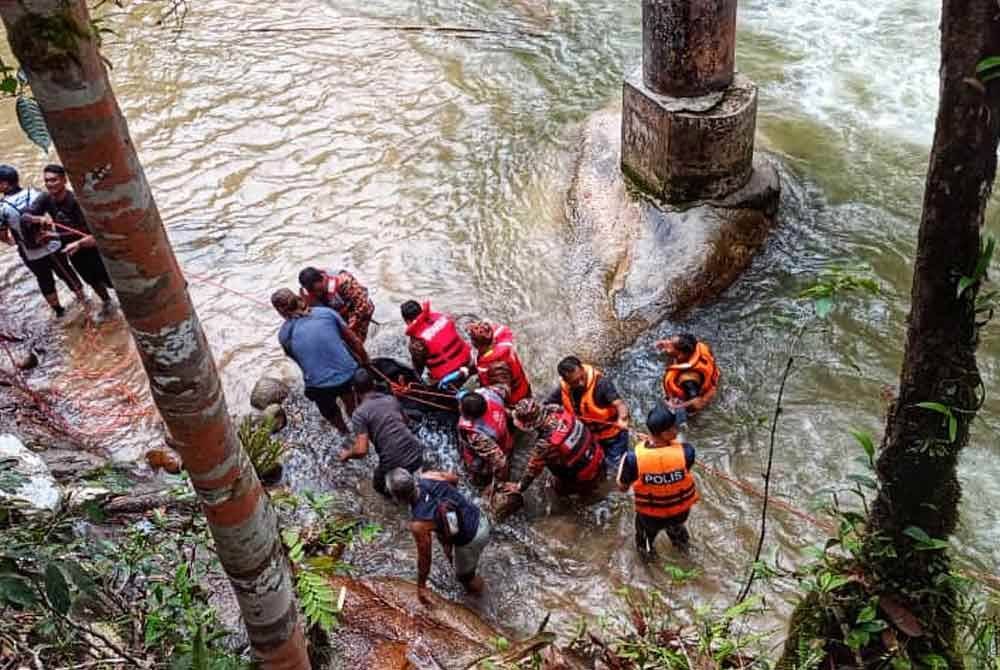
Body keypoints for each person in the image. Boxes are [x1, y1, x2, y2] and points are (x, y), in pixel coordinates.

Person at [386, 467, 491, 605]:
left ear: (398, 498)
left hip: (471, 538)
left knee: (465, 577)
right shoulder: (428, 476)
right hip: (480, 518)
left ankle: (483, 601)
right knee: (459, 558)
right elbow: (454, 479)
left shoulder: (419, 524)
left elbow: (425, 558)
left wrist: (421, 586)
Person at [272, 288, 369, 434]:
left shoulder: (284, 334)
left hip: (319, 386)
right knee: (351, 403)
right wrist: (366, 362)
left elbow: (298, 360)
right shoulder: (326, 313)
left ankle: (344, 432)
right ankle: (361, 432)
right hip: (347, 375)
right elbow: (354, 341)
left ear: (280, 311)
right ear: (298, 298)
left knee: (330, 411)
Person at [26, 165, 115, 310]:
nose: (49, 184)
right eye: (46, 181)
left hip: (88, 244)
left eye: (53, 180)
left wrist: (55, 236)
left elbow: (85, 231)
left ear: (64, 180)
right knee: (91, 280)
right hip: (71, 249)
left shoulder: (76, 201)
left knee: (109, 279)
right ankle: (107, 303)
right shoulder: (46, 198)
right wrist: (38, 219)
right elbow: (25, 217)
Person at [0, 164, 84, 316]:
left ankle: (59, 312)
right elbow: (54, 215)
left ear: (5, 184)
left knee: (44, 280)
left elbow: (2, 234)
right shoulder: (36, 193)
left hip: (31, 252)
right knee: (66, 272)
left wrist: (12, 242)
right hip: (53, 244)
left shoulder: (2, 207)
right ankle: (84, 301)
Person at [616, 404, 698, 560]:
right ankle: (686, 556)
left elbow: (622, 487)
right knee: (678, 532)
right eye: (675, 427)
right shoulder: (687, 452)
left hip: (650, 518)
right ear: (666, 433)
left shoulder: (633, 459)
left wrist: (624, 460)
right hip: (679, 514)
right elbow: (670, 458)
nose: (678, 428)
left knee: (645, 543)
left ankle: (649, 565)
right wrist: (653, 444)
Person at [340, 368, 425, 496]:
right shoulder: (390, 399)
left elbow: (362, 450)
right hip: (417, 451)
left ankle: (400, 503)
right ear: (374, 383)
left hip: (394, 462)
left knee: (378, 485)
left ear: (354, 390)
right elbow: (407, 422)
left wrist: (347, 455)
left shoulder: (360, 414)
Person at [545, 356, 631, 470]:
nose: (580, 383)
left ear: (582, 369)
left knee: (615, 467)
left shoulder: (602, 384)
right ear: (566, 381)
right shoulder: (563, 389)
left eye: (582, 377)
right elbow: (546, 406)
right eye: (575, 382)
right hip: (591, 437)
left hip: (614, 437)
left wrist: (622, 419)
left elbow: (620, 405)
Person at [509, 398, 605, 497]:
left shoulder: (544, 443)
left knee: (552, 489)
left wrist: (519, 487)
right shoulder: (557, 410)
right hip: (599, 456)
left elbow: (533, 470)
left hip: (585, 477)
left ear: (528, 425)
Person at [401, 300, 472, 386]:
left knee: (424, 381)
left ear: (407, 321)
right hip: (469, 361)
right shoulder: (441, 317)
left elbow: (418, 370)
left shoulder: (416, 342)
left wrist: (409, 383)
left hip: (449, 376)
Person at [297, 266, 375, 342]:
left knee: (355, 340)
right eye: (313, 292)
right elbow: (306, 314)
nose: (317, 294)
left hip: (357, 309)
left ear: (322, 280)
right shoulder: (305, 294)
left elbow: (364, 306)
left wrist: (349, 329)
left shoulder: (344, 281)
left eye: (319, 290)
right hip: (336, 313)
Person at [457, 382, 512, 486]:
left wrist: (500, 483)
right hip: (505, 438)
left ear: (470, 417)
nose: (459, 406)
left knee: (473, 475)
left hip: (493, 452)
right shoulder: (490, 394)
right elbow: (505, 388)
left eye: (461, 406)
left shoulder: (476, 435)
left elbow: (500, 462)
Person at [466, 321, 532, 405]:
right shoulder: (500, 342)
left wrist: (480, 395)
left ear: (476, 344)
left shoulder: (495, 365)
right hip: (523, 388)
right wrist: (468, 370)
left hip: (515, 401)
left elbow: (501, 391)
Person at [656, 333, 719, 413]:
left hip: (699, 390)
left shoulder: (687, 378)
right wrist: (665, 345)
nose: (667, 343)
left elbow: (697, 404)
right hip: (709, 376)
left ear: (682, 355)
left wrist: (674, 406)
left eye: (672, 344)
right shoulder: (695, 347)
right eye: (670, 340)